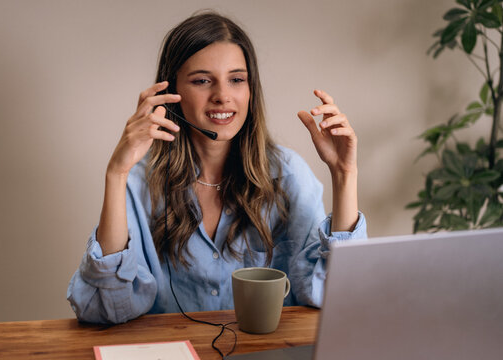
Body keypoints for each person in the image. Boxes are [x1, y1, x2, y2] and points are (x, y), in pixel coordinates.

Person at [67, 11, 367, 324]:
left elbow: (336, 294)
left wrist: (344, 174)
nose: (222, 96)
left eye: (236, 80)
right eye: (202, 81)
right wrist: (116, 173)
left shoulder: (288, 173)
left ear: (250, 90)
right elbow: (106, 309)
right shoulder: (141, 180)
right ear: (171, 94)